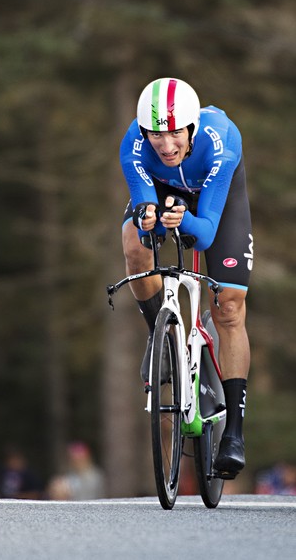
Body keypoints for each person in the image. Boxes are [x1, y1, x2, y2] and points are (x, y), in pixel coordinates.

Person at [119, 77, 253, 479]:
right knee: (133, 247)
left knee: (228, 306)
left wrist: (184, 220)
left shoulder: (220, 143)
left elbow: (206, 232)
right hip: (163, 192)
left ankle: (234, 432)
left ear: (192, 127)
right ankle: (160, 339)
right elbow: (144, 208)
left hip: (215, 203)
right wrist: (147, 218)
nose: (167, 144)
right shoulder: (133, 145)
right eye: (158, 134)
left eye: (176, 132)